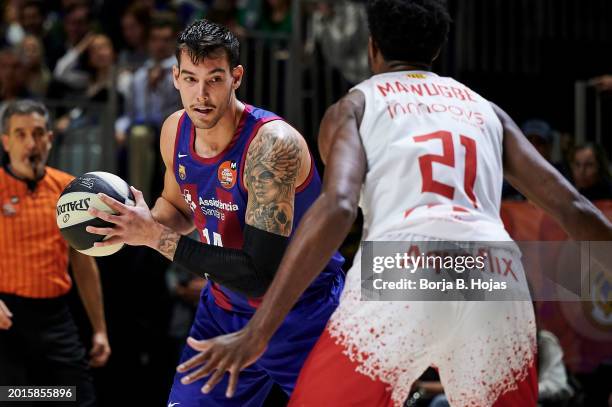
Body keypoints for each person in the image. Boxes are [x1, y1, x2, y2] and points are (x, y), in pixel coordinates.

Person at [167, 1, 612, 406]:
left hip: (401, 265)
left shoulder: (355, 106)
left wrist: (259, 331)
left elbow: (339, 207)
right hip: (494, 272)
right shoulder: (485, 109)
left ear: (372, 48)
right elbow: (574, 208)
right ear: (436, 53)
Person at [86, 19, 345, 406]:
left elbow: (260, 275)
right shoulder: (175, 129)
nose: (201, 95)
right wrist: (132, 223)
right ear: (174, 77)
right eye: (190, 79)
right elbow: (177, 208)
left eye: (214, 79)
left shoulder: (272, 146)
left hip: (301, 315)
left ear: (236, 77)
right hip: (223, 310)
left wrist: (154, 237)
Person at [0, 100, 110, 407]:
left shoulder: (69, 191)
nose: (30, 143)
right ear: (6, 142)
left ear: (50, 138)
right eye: (20, 134)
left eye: (37, 133)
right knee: (15, 399)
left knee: (77, 397)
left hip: (55, 317)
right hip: (6, 320)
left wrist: (100, 329)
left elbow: (84, 263)